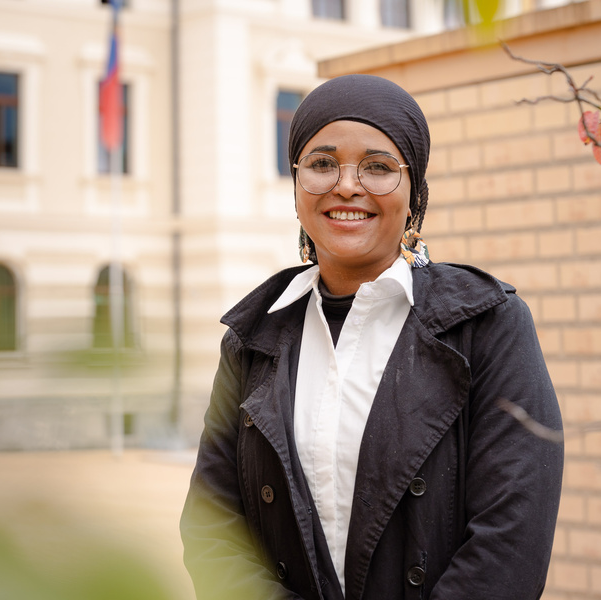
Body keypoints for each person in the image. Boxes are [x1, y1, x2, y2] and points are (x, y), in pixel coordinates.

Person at [180, 74, 563, 600]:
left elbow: (510, 544)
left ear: (414, 194)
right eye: (321, 164)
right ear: (296, 188)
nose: (346, 185)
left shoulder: (487, 325)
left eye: (379, 167)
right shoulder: (253, 338)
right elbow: (212, 526)